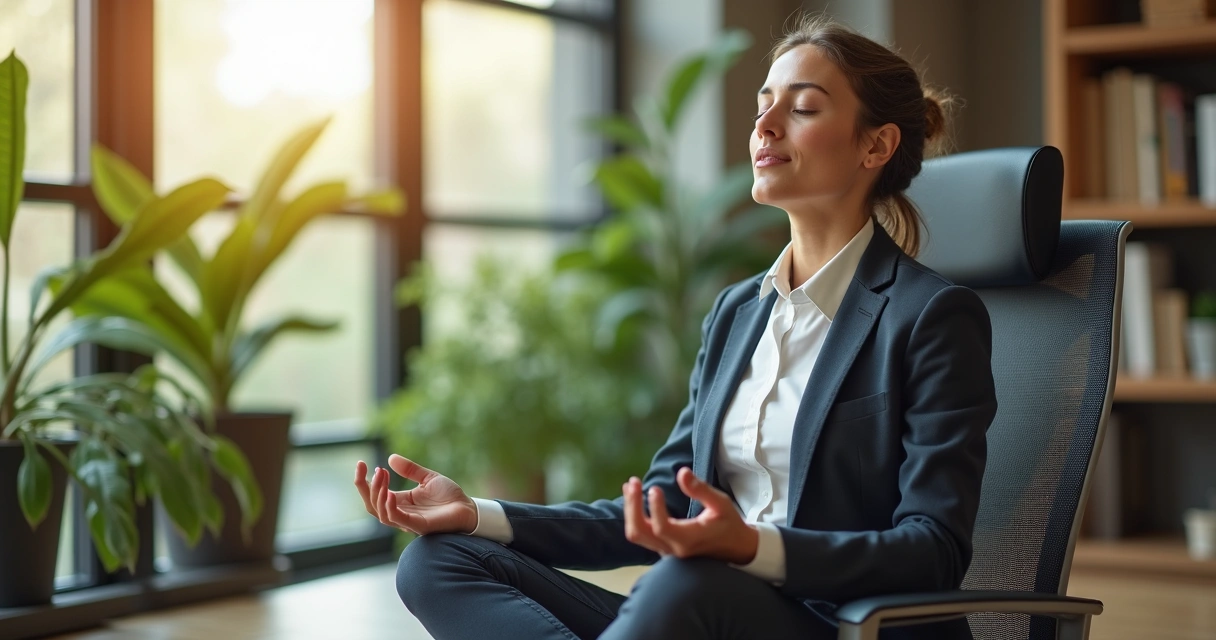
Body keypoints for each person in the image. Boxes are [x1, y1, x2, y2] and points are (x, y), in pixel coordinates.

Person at [355, 14, 996, 640]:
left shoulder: (930, 317)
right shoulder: (736, 314)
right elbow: (658, 505)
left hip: (832, 623)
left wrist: (749, 546)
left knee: (686, 582)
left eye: (801, 109)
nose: (765, 127)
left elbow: (932, 549)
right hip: (695, 608)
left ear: (875, 145)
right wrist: (478, 515)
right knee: (439, 559)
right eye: (761, 107)